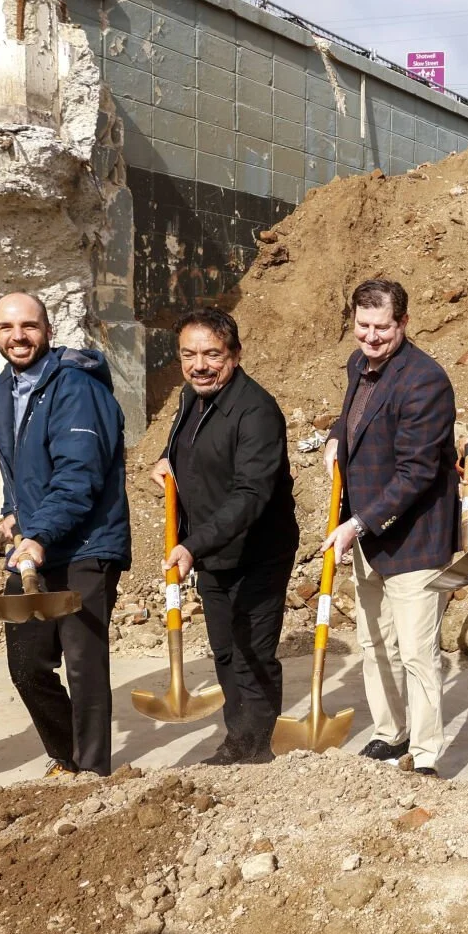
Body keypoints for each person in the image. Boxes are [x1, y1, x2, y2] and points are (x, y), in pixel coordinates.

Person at [0, 292, 131, 776]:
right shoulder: (0, 392)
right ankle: (67, 756)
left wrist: (39, 534)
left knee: (84, 665)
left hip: (87, 542)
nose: (17, 336)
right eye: (6, 327)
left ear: (48, 330)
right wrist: (12, 511)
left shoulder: (77, 388)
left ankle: (92, 773)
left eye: (28, 326)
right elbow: (14, 467)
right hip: (37, 542)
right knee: (27, 665)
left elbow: (79, 475)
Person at [149, 308, 299, 766]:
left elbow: (251, 494)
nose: (199, 365)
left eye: (212, 354)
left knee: (252, 653)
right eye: (188, 355)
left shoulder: (257, 412)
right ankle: (239, 740)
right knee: (225, 651)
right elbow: (186, 444)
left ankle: (253, 751)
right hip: (212, 551)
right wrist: (166, 459)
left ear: (234, 355)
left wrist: (193, 545)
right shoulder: (190, 398)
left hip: (256, 553)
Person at [322, 279, 459, 777]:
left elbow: (417, 472)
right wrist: (335, 436)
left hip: (413, 538)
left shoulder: (425, 381)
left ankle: (424, 754)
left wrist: (357, 524)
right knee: (375, 641)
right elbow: (355, 418)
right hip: (367, 535)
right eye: (363, 326)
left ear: (403, 322)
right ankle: (389, 732)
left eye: (382, 327)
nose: (371, 336)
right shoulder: (358, 364)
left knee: (418, 652)